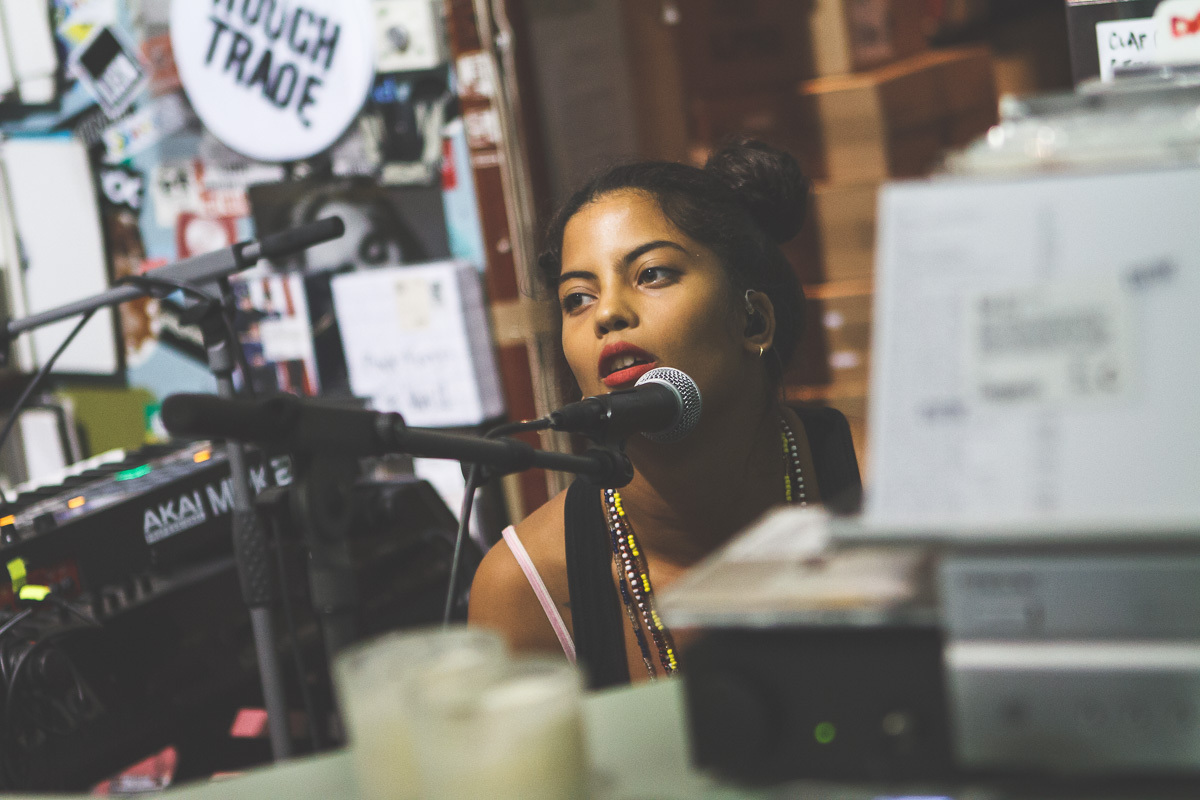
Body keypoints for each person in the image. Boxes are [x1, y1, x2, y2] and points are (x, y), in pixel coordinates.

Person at [468, 140, 861, 689]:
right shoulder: (524, 588)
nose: (607, 313)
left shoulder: (889, 489)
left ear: (753, 323)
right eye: (577, 298)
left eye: (651, 274)